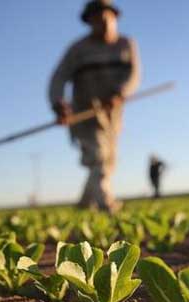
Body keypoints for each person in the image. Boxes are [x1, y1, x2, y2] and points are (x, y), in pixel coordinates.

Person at [48, 0, 140, 213]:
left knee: (108, 161)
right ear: (89, 22)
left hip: (112, 116)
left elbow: (133, 75)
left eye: (107, 18)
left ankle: (83, 204)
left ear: (115, 18)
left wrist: (120, 93)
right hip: (85, 114)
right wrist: (58, 103)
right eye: (97, 19)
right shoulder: (78, 50)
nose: (103, 23)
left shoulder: (126, 44)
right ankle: (106, 205)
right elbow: (58, 78)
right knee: (98, 157)